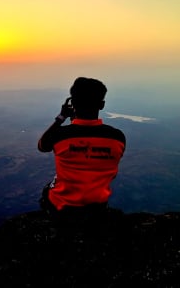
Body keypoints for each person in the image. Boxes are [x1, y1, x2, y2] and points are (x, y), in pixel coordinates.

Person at [37, 77, 126, 224]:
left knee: (48, 189)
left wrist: (61, 117)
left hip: (63, 209)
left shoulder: (60, 135)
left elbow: (42, 146)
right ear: (102, 105)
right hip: (98, 207)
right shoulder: (117, 138)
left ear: (73, 103)